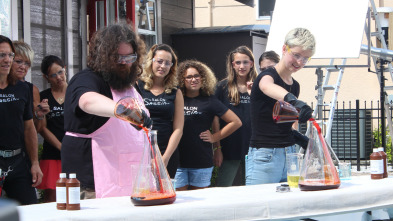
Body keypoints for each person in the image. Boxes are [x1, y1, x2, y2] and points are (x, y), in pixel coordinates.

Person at [61, 21, 152, 199]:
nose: (124, 64)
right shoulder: (86, 79)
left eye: (129, 58)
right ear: (102, 56)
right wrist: (124, 111)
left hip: (130, 182)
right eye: (118, 58)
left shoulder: (130, 84)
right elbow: (87, 101)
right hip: (92, 185)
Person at [246, 28, 315, 185]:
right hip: (265, 155)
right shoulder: (267, 76)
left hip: (290, 155)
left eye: (305, 59)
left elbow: (281, 124)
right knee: (260, 206)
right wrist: (293, 100)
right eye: (296, 55)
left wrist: (302, 139)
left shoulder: (294, 85)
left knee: (287, 207)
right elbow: (265, 86)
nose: (299, 62)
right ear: (285, 49)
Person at [175, 60, 242, 191]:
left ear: (203, 78)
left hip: (201, 161)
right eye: (189, 77)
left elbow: (236, 122)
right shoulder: (176, 98)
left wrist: (214, 138)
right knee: (179, 203)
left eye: (197, 76)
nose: (193, 79)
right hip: (178, 161)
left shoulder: (210, 101)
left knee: (199, 204)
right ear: (182, 80)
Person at [0, 35, 43, 205]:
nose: (7, 60)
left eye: (10, 55)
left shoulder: (23, 88)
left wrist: (34, 163)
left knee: (29, 212)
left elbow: (29, 128)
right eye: (1, 55)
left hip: (18, 162)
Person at [136, 44, 184, 178]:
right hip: (141, 149)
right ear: (151, 61)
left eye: (167, 63)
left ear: (172, 67)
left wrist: (165, 158)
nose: (163, 66)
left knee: (165, 194)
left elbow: (178, 129)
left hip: (166, 150)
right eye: (159, 61)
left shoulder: (175, 91)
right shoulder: (137, 86)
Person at [212, 46, 258, 187]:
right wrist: (217, 148)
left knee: (253, 191)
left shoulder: (260, 86)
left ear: (251, 63)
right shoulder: (222, 87)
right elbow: (215, 119)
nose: (242, 66)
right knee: (223, 188)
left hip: (255, 149)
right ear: (233, 64)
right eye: (238, 63)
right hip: (229, 149)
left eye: (245, 62)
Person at [35, 55, 67, 202]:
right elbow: (41, 129)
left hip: (74, 152)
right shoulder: (44, 97)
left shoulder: (76, 93)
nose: (58, 77)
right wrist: (61, 147)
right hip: (53, 154)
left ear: (65, 69)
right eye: (53, 75)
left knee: (75, 196)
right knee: (52, 199)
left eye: (60, 72)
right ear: (46, 77)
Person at [11, 41, 50, 131]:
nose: (23, 67)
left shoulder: (31, 89)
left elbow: (38, 128)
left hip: (20, 143)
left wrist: (39, 115)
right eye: (18, 61)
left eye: (27, 63)